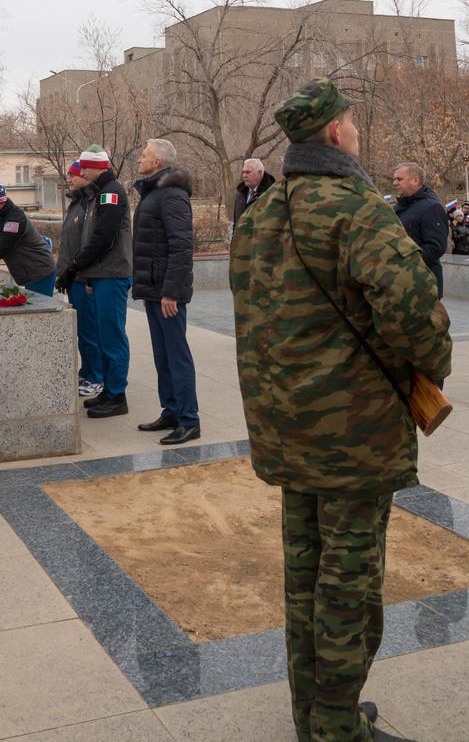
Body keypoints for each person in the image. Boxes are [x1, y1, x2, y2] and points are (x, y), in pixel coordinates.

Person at [231, 79, 452, 742]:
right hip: (351, 436)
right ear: (334, 132)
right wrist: (429, 370)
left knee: (303, 574)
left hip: (284, 428)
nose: (356, 132)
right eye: (351, 122)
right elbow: (415, 316)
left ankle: (313, 713)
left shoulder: (260, 214)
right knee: (347, 585)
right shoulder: (354, 208)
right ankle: (333, 727)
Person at [132, 138, 200, 445]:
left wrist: (171, 291)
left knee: (176, 356)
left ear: (157, 162)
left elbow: (182, 245)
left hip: (166, 293)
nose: (139, 160)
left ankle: (189, 419)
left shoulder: (171, 195)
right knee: (163, 356)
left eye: (143, 156)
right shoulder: (155, 193)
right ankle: (171, 410)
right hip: (153, 289)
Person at [57, 147, 132, 419]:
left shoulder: (111, 192)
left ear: (97, 168)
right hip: (100, 274)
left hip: (111, 274)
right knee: (104, 334)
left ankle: (117, 395)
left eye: (85, 168)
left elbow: (102, 238)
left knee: (112, 336)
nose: (81, 172)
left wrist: (76, 266)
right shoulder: (97, 195)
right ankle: (109, 392)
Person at [57, 160, 103, 397]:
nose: (70, 179)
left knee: (89, 330)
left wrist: (78, 273)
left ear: (86, 177)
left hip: (83, 277)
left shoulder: (89, 205)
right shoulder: (75, 204)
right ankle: (87, 372)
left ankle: (96, 376)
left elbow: (88, 245)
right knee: (82, 330)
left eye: (74, 175)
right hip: (71, 277)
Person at [393, 162, 449, 297]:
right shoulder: (402, 206)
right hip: (404, 281)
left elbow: (436, 247)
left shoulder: (431, 207)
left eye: (399, 179)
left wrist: (404, 261)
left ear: (415, 180)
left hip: (423, 284)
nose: (395, 183)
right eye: (394, 179)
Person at [231, 157, 275, 229]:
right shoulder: (241, 193)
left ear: (259, 173)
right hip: (240, 239)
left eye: (248, 172)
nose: (244, 175)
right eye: (243, 172)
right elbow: (236, 223)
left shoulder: (271, 193)